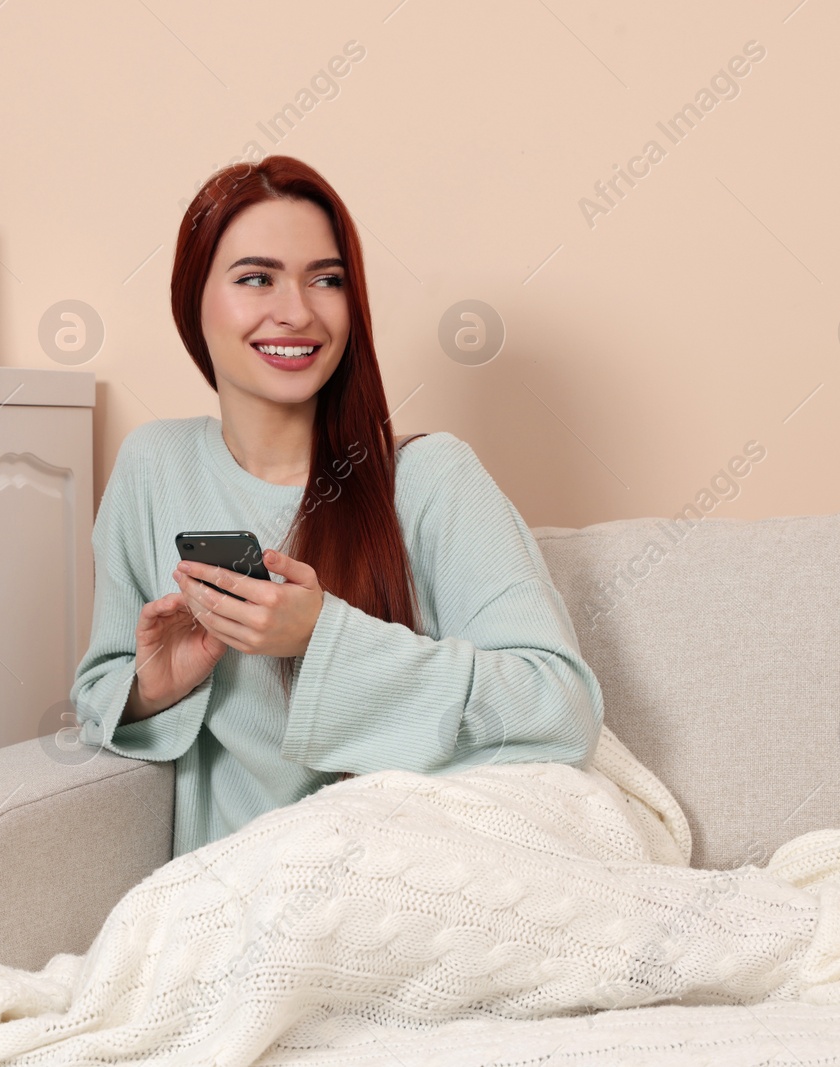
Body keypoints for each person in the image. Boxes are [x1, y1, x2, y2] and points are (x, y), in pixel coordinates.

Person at [71, 156, 604, 856]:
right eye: (256, 278)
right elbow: (100, 692)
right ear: (192, 301)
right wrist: (154, 688)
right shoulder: (153, 468)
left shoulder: (432, 477)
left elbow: (559, 705)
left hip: (408, 869)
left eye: (326, 279)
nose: (297, 311)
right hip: (232, 895)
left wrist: (322, 638)